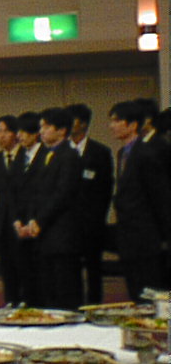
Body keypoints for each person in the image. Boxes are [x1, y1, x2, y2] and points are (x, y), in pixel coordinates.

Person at [14, 107, 84, 309]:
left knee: (64, 290)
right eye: (41, 126)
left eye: (46, 127)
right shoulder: (46, 154)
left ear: (62, 131)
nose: (41, 131)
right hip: (44, 235)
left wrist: (39, 221)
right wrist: (30, 221)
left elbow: (63, 194)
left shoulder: (70, 156)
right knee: (48, 290)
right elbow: (36, 193)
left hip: (62, 233)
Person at [109, 100, 171, 300]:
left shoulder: (146, 154)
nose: (112, 126)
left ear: (133, 125)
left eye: (117, 121)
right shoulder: (122, 153)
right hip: (127, 237)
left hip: (146, 237)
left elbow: (160, 198)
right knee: (134, 292)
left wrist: (165, 238)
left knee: (149, 294)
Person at [66, 103, 114, 305]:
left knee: (94, 269)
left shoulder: (100, 152)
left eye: (72, 120)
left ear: (83, 124)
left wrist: (97, 219)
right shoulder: (60, 151)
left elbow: (105, 189)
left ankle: (95, 306)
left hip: (92, 223)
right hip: (67, 223)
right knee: (70, 270)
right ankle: (74, 306)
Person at [0, 114, 24, 304]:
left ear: (16, 133)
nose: (1, 136)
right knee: (7, 269)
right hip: (2, 221)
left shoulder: (26, 157)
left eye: (6, 131)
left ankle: (26, 305)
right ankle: (10, 304)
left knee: (24, 268)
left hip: (23, 221)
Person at [10, 111, 45, 304]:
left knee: (41, 275)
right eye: (18, 132)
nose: (19, 136)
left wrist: (33, 220)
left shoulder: (46, 154)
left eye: (24, 132)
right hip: (21, 223)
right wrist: (17, 220)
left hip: (39, 223)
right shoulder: (19, 156)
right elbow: (12, 191)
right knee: (24, 273)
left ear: (35, 133)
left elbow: (43, 193)